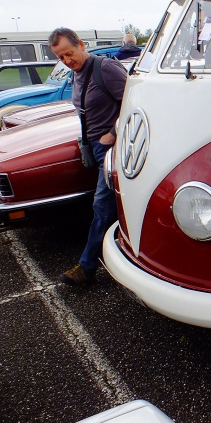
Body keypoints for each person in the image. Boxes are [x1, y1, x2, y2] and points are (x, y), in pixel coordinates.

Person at [49, 27, 128, 286]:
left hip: (111, 149)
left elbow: (136, 102)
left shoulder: (104, 68)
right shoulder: (77, 74)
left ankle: (87, 268)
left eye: (69, 53)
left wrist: (113, 133)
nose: (66, 61)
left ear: (81, 44)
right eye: (60, 57)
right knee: (112, 206)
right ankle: (124, 255)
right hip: (93, 146)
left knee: (102, 206)